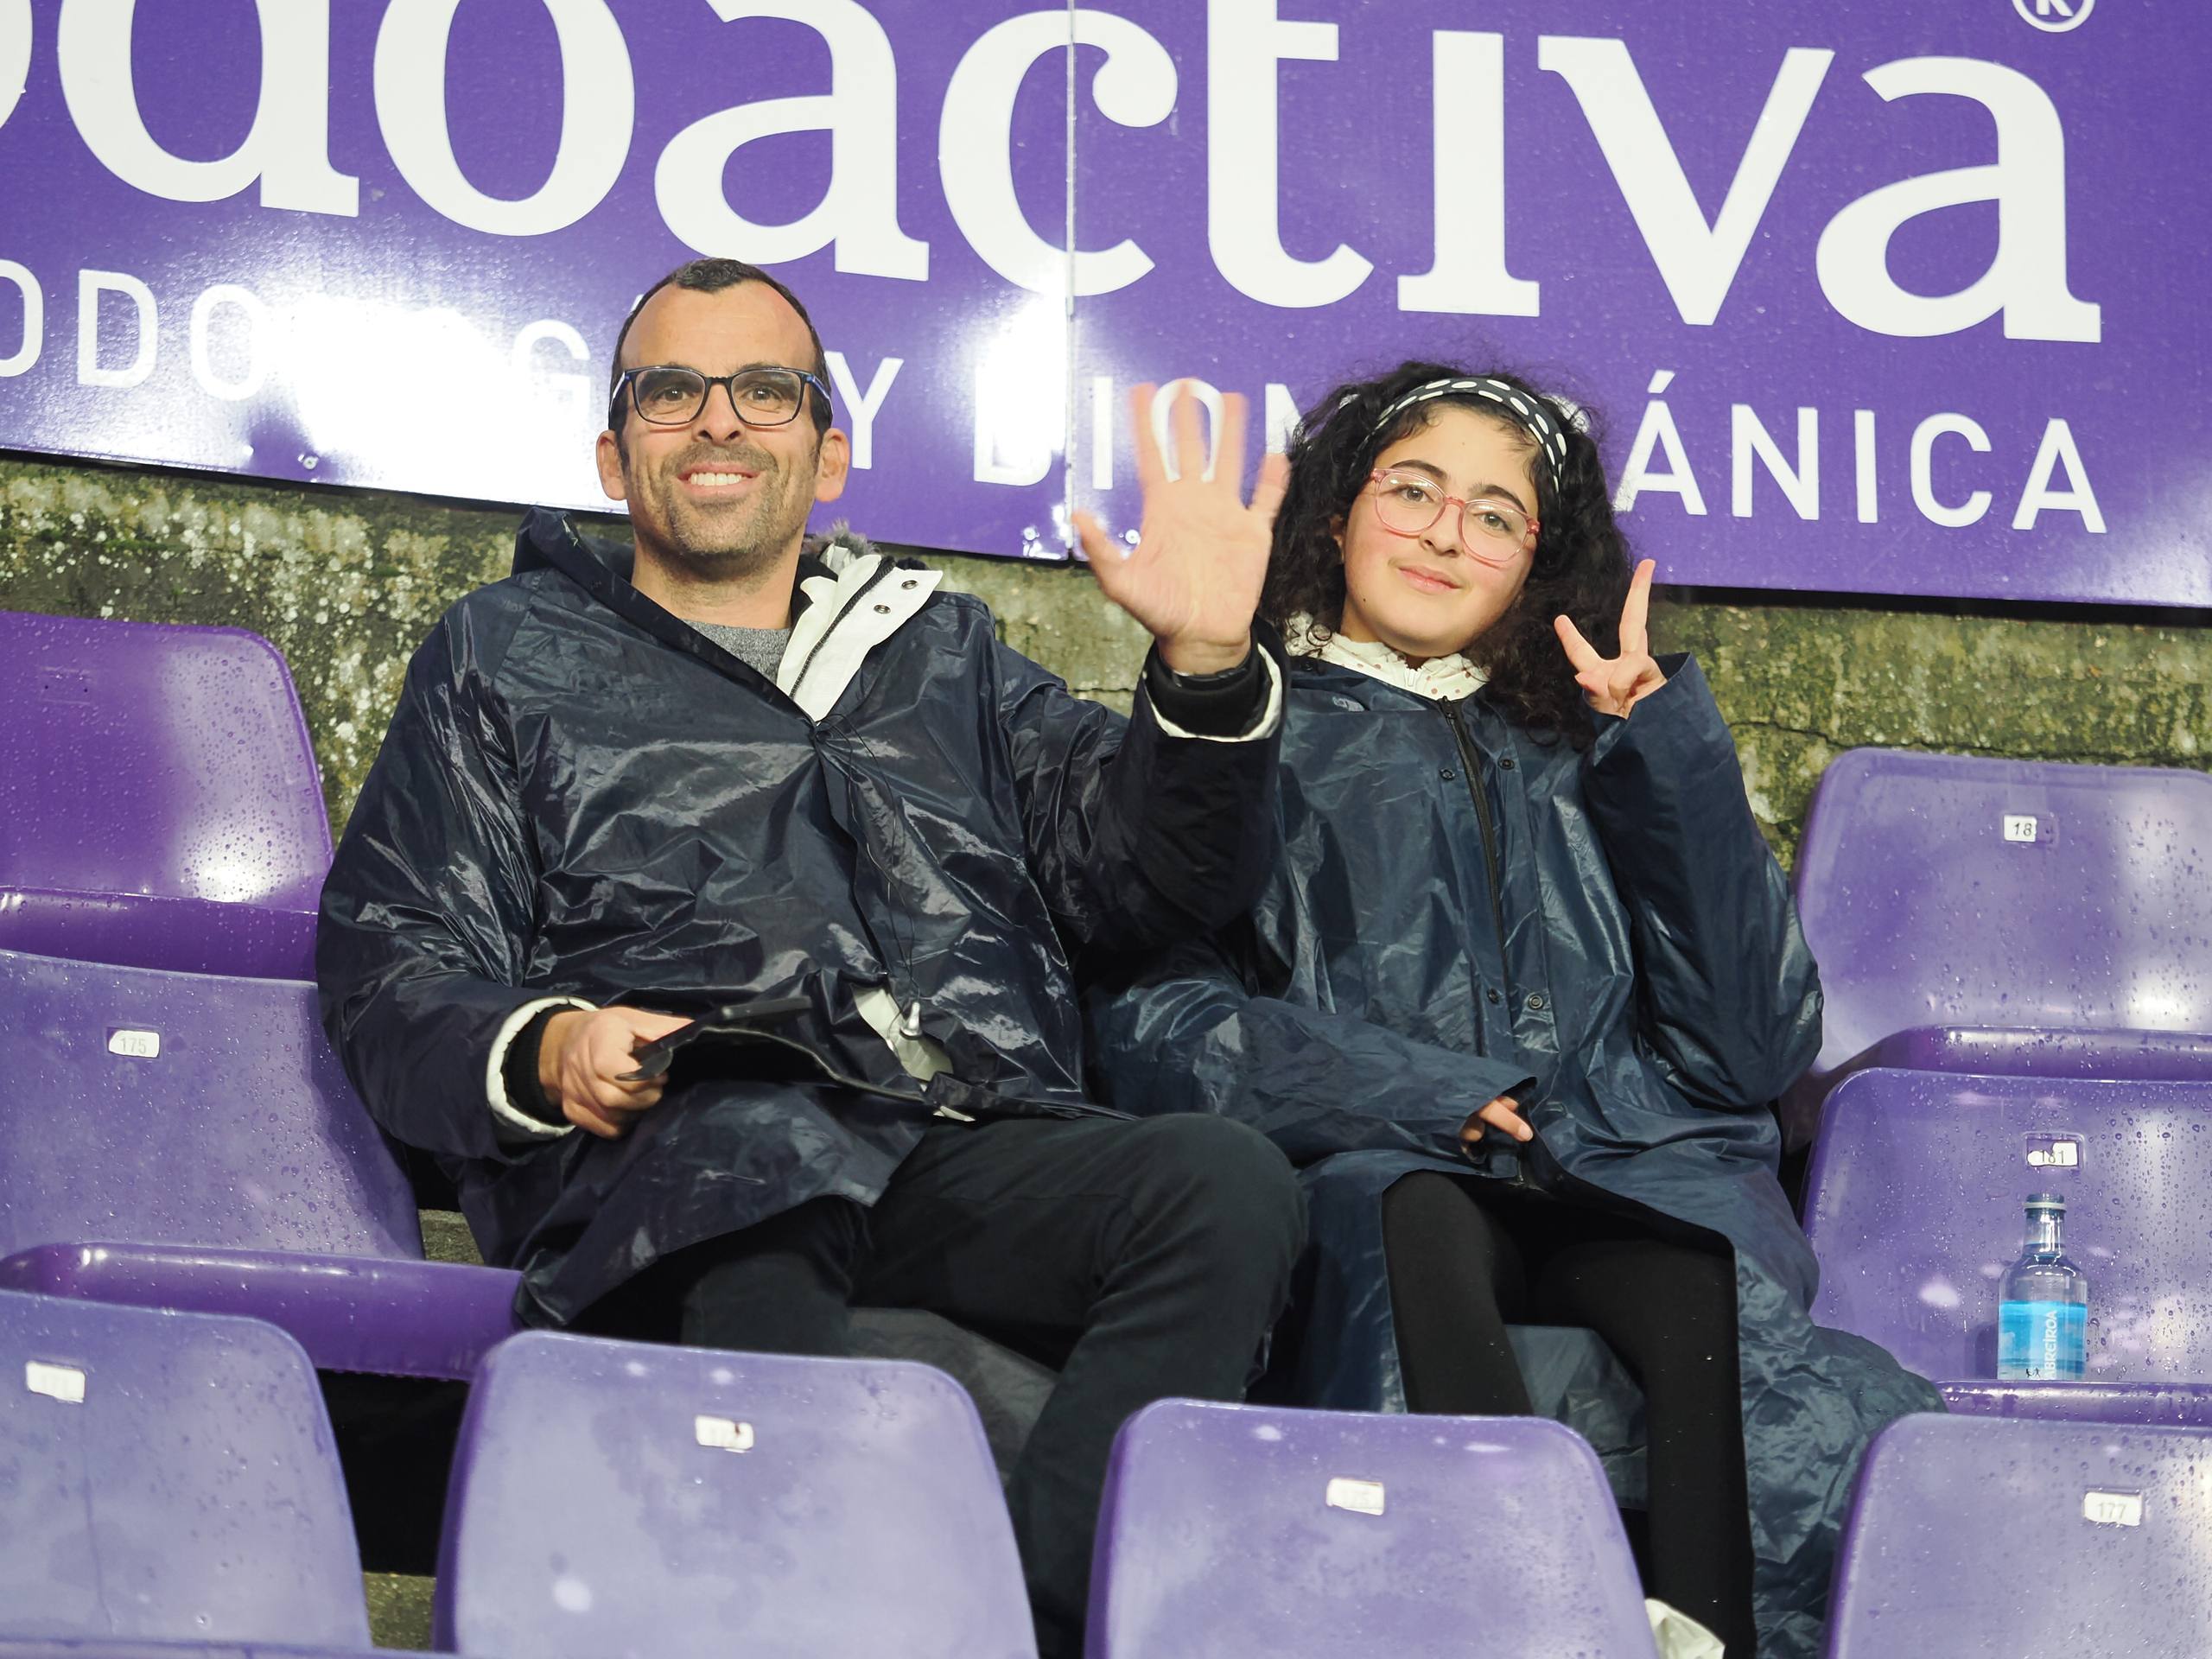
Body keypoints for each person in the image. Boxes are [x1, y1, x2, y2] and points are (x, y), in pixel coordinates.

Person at [315, 257, 1306, 1655]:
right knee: (761, 1139)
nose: (718, 420)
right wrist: (545, 1043)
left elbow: (1150, 877)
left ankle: (1030, 1619)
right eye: (672, 390)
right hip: (681, 1130)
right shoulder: (505, 652)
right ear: (616, 451)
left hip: (945, 1129)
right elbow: (394, 951)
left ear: (826, 450)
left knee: (1221, 1181)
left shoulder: (943, 652)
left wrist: (1206, 671)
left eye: (765, 389)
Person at [1086, 361, 1943, 1659]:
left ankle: (1700, 1634)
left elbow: (1753, 1048)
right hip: (1391, 1168)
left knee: (1695, 1261)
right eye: (1413, 489)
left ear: (1538, 562)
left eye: (1495, 514)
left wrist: (1660, 759)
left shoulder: (1593, 748)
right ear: (1334, 517)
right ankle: (1488, 1609)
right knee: (1407, 1208)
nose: (1445, 532)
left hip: (1622, 1174)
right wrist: (1412, 1092)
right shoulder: (1235, 730)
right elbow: (1153, 1022)